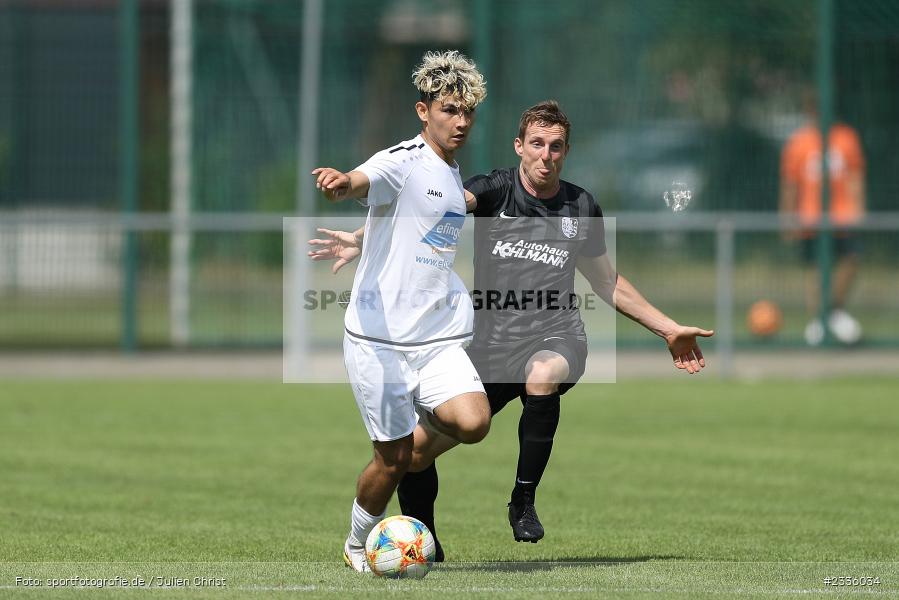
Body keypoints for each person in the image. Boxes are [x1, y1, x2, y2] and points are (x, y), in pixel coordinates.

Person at [310, 101, 713, 559]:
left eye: (556, 146)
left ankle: (523, 499)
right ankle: (423, 538)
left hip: (557, 337)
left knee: (541, 374)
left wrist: (668, 329)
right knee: (414, 455)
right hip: (490, 347)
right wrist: (363, 240)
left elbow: (606, 281)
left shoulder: (580, 205)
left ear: (566, 151)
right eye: (537, 144)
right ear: (519, 146)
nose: (547, 155)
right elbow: (431, 210)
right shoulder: (495, 190)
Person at [309, 50, 491, 572]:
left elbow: (417, 225)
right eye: (449, 109)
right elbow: (367, 179)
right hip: (378, 343)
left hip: (436, 338)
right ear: (423, 111)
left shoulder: (452, 178)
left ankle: (410, 451)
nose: (459, 121)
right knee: (390, 464)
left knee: (474, 420)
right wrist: (343, 184)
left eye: (467, 112)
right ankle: (355, 543)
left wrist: (362, 241)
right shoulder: (404, 159)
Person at [780, 93, 866, 346]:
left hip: (842, 216)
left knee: (851, 261)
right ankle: (821, 321)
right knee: (816, 271)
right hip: (811, 218)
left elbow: (855, 177)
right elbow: (790, 184)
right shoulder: (799, 142)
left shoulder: (846, 138)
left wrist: (858, 209)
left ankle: (832, 313)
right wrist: (788, 218)